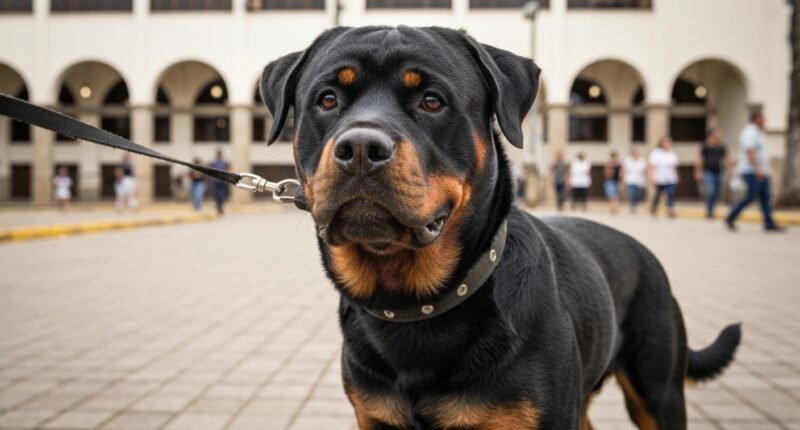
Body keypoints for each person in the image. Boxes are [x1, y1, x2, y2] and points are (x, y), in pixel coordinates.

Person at [725, 112, 784, 232]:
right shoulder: (749, 132)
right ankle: (731, 217)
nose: (765, 120)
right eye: (763, 118)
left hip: (761, 171)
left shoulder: (758, 132)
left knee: (764, 197)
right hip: (752, 171)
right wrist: (757, 170)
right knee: (751, 196)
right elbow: (750, 151)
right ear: (756, 119)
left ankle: (769, 222)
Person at [695, 127, 731, 219]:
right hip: (708, 172)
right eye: (717, 133)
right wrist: (698, 172)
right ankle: (709, 211)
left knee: (716, 192)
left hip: (719, 172)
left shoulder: (721, 147)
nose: (719, 135)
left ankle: (712, 210)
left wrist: (729, 169)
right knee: (710, 191)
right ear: (711, 135)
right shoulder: (705, 146)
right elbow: (700, 160)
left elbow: (727, 158)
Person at [649, 137, 679, 218]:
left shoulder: (672, 153)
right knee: (658, 194)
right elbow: (652, 166)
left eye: (669, 143)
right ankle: (654, 208)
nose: (668, 144)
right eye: (666, 143)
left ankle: (670, 209)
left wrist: (676, 176)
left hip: (670, 178)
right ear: (662, 144)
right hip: (660, 178)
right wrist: (652, 177)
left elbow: (674, 166)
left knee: (671, 193)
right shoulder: (656, 153)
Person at [622, 148, 647, 214]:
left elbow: (644, 171)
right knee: (633, 194)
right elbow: (624, 171)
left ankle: (635, 205)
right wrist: (623, 181)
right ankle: (632, 206)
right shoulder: (627, 160)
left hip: (639, 181)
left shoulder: (642, 161)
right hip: (630, 180)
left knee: (637, 195)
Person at [209, 149, 231, 215]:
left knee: (222, 195)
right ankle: (218, 206)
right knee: (216, 195)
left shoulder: (224, 162)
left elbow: (228, 168)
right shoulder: (214, 162)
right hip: (216, 181)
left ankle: (220, 207)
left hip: (222, 181)